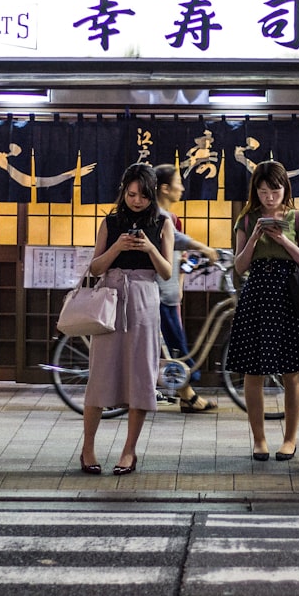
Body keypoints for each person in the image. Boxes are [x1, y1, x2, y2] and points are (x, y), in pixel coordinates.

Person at [79, 163, 175, 476]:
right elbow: (95, 268)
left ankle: (129, 451)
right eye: (131, 194)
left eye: (143, 196)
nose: (136, 201)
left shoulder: (163, 222)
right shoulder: (111, 221)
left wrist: (149, 248)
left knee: (140, 377)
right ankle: (88, 447)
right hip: (111, 298)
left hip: (145, 299)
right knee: (100, 374)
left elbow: (167, 271)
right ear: (124, 191)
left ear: (153, 196)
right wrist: (118, 247)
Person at [225, 161, 299, 462]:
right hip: (257, 293)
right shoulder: (247, 218)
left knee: (292, 370)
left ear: (285, 188)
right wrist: (255, 236)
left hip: (290, 294)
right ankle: (259, 440)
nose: (269, 197)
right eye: (263, 190)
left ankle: (290, 439)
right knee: (253, 371)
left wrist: (283, 240)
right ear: (255, 191)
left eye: (275, 190)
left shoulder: (297, 217)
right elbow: (239, 267)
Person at [154, 164, 219, 414]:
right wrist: (203, 247)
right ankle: (188, 396)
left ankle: (187, 396)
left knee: (174, 348)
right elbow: (176, 239)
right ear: (165, 188)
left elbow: (174, 249)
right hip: (159, 294)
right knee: (176, 349)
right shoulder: (159, 215)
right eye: (178, 182)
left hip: (168, 293)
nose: (182, 187)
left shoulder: (169, 216)